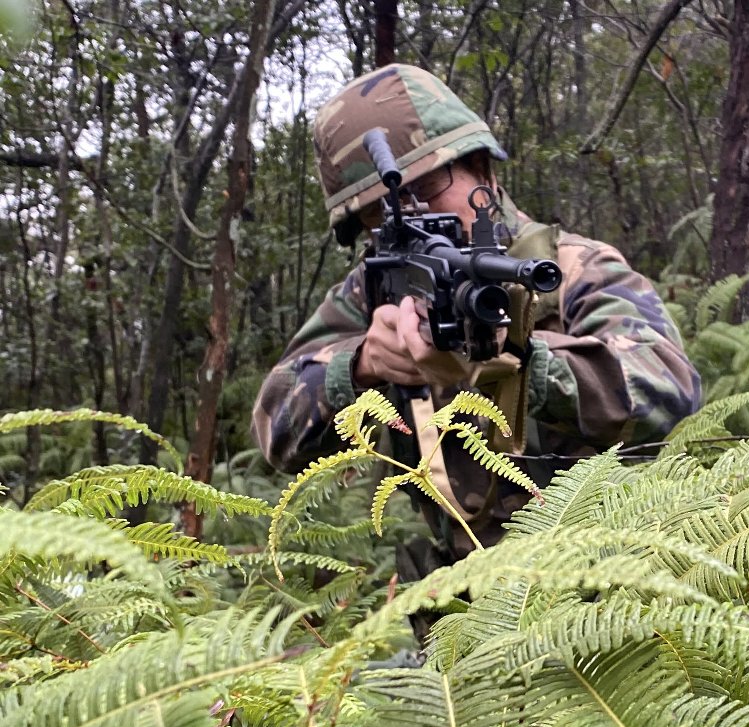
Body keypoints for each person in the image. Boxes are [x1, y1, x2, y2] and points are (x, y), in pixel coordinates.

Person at [251, 63, 700, 591]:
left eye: (428, 186)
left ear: (482, 169)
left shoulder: (572, 268)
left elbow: (670, 392)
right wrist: (361, 366)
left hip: (602, 590)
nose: (414, 219)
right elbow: (275, 428)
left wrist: (522, 365)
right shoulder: (371, 290)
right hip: (463, 608)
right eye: (382, 213)